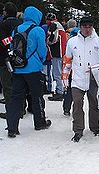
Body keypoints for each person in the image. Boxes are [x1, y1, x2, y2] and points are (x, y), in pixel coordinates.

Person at [6, 6, 51, 138]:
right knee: (36, 96)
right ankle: (40, 122)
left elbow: (11, 46)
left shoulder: (16, 29)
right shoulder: (38, 30)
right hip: (34, 69)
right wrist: (39, 61)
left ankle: (12, 128)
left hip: (18, 68)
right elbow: (42, 50)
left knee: (15, 98)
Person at [62, 16, 99, 142]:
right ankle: (78, 130)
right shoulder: (72, 42)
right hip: (77, 78)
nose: (87, 29)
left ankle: (95, 127)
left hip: (93, 78)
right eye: (85, 26)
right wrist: (65, 76)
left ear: (92, 27)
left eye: (89, 26)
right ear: (80, 27)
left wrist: (96, 69)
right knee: (77, 104)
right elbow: (67, 60)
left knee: (94, 104)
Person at [0, 2, 21, 119]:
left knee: (7, 87)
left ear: (6, 12)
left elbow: (3, 42)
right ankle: (21, 108)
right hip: (19, 60)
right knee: (19, 86)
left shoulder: (3, 24)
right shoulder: (20, 23)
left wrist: (10, 41)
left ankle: (11, 112)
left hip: (4, 59)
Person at [46, 13, 67, 101]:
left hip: (57, 52)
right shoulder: (59, 25)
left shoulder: (53, 25)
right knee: (60, 72)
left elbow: (52, 39)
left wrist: (47, 42)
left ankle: (60, 92)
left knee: (57, 73)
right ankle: (61, 90)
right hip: (61, 52)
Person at [63, 18, 80, 116]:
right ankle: (77, 109)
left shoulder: (68, 35)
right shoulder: (81, 34)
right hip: (79, 65)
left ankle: (66, 108)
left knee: (69, 87)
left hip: (70, 64)